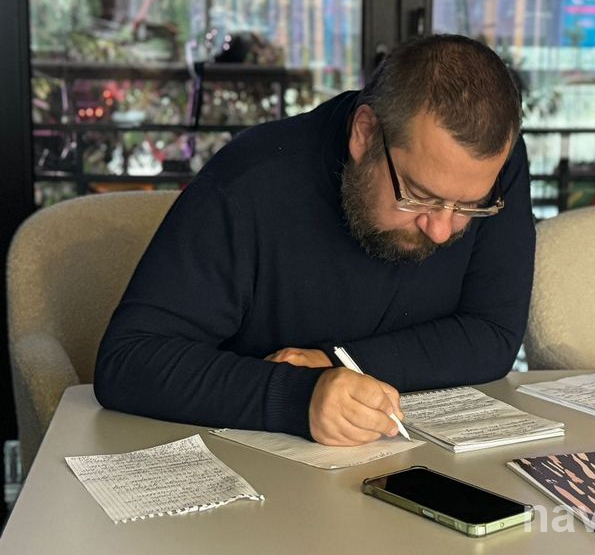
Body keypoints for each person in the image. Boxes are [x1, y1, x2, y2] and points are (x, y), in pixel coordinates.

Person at [94, 34, 535, 446]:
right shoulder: (250, 185)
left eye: (469, 207)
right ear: (365, 133)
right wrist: (298, 398)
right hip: (250, 463)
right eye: (420, 196)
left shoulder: (484, 171)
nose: (441, 229)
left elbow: (493, 333)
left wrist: (337, 362)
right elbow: (129, 360)